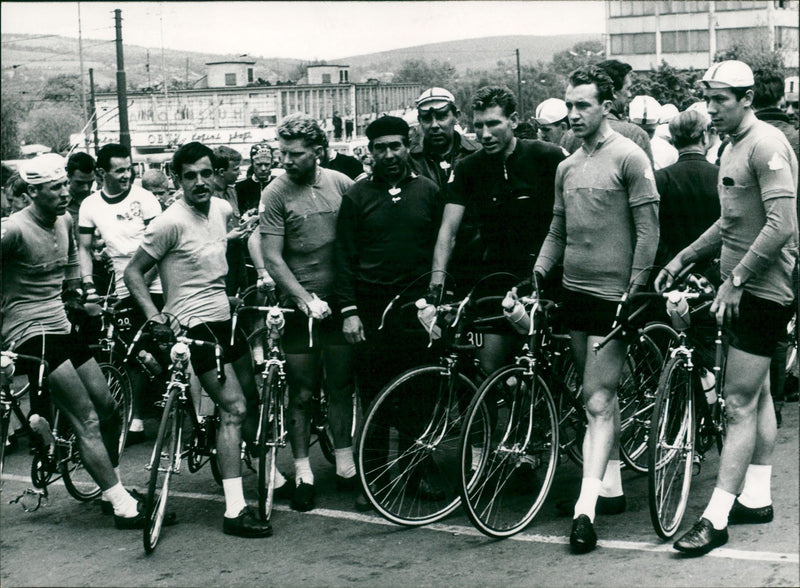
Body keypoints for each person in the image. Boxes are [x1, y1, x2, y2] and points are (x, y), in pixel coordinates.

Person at [657, 60, 797, 556]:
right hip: (744, 287)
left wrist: (736, 279)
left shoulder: (766, 144)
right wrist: (684, 256)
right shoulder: (731, 146)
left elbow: (782, 223)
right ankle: (756, 498)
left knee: (736, 403)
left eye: (720, 99)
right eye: (707, 98)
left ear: (746, 97)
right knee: (755, 397)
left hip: (761, 291)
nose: (711, 108)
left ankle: (715, 519)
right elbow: (730, 222)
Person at [533, 66, 660, 554]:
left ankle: (585, 510)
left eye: (583, 104)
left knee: (598, 400)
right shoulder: (566, 166)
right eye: (569, 105)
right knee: (593, 398)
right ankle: (610, 482)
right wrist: (540, 272)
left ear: (607, 105)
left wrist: (635, 289)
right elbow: (558, 230)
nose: (574, 114)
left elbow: (649, 230)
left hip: (614, 298)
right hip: (574, 293)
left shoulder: (629, 157)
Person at [124, 141, 272, 538]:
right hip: (194, 327)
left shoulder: (223, 209)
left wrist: (249, 256)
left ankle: (247, 465)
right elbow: (133, 273)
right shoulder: (169, 222)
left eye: (206, 173)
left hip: (226, 319)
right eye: (190, 176)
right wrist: (154, 316)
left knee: (252, 398)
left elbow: (221, 249)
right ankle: (235, 510)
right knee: (235, 408)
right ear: (177, 179)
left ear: (216, 173)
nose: (200, 182)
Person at [2, 153, 158, 530]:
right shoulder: (13, 230)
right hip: (27, 331)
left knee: (108, 408)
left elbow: (72, 268)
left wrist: (85, 294)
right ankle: (121, 504)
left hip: (60, 322)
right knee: (85, 416)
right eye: (55, 188)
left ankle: (108, 486)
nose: (64, 193)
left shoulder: (65, 219)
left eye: (63, 185)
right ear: (33, 192)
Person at [256, 114, 357, 513]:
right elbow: (272, 257)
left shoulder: (341, 184)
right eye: (282, 153)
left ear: (317, 151)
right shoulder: (275, 192)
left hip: (338, 301)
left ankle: (346, 465)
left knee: (341, 385)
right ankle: (303, 471)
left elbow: (356, 241)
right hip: (299, 307)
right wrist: (303, 299)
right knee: (300, 391)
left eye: (294, 154)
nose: (286, 161)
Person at [430, 86, 566, 373]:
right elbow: (448, 232)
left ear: (513, 120)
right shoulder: (468, 168)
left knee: (545, 369)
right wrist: (437, 283)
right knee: (490, 367)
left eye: (493, 124)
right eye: (478, 126)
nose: (485, 134)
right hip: (496, 278)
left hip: (546, 274)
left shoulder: (549, 156)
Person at [335, 115, 442, 449]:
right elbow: (343, 257)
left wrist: (440, 298)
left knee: (418, 393)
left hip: (416, 307)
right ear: (370, 152)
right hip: (370, 308)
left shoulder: (428, 190)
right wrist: (349, 311)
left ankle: (415, 473)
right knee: (374, 394)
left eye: (396, 146)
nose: (389, 154)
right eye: (380, 148)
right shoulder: (357, 195)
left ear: (408, 146)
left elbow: (444, 244)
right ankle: (374, 478)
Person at [79, 143, 165, 447]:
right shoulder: (90, 205)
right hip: (120, 279)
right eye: (119, 171)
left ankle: (189, 410)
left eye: (129, 169)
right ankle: (136, 418)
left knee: (161, 343)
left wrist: (139, 282)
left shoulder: (146, 199)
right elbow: (84, 248)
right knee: (129, 351)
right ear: (102, 172)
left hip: (156, 277)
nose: (127, 175)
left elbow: (160, 247)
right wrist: (89, 284)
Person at [752, 68, 800, 424]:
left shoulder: (747, 140)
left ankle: (768, 401)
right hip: (794, 239)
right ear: (783, 97)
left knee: (767, 326)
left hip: (761, 243)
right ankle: (777, 401)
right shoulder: (793, 136)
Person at [654, 109, 721, 274]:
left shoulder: (661, 179)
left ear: (674, 140)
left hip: (669, 271)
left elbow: (653, 232)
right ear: (704, 136)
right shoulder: (722, 175)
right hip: (712, 272)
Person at [561, 60, 654, 165]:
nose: (629, 94)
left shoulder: (569, 136)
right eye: (627, 88)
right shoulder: (635, 134)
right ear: (612, 92)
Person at [409, 87, 481, 190]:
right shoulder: (410, 161)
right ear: (419, 121)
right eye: (427, 118)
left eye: (441, 116)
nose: (434, 125)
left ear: (456, 116)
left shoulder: (477, 153)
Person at [213, 146, 255, 296]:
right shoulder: (208, 196)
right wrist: (228, 237)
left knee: (243, 296)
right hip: (219, 260)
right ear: (221, 172)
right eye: (236, 169)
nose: (240, 173)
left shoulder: (232, 191)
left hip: (238, 256)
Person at [629, 95, 678, 171]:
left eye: (649, 131)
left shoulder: (670, 153)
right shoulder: (618, 146)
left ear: (658, 123)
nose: (644, 136)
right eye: (638, 130)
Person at [235, 142, 273, 215]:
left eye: (267, 164)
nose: (263, 168)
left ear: (272, 163)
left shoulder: (279, 185)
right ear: (252, 163)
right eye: (258, 164)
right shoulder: (240, 188)